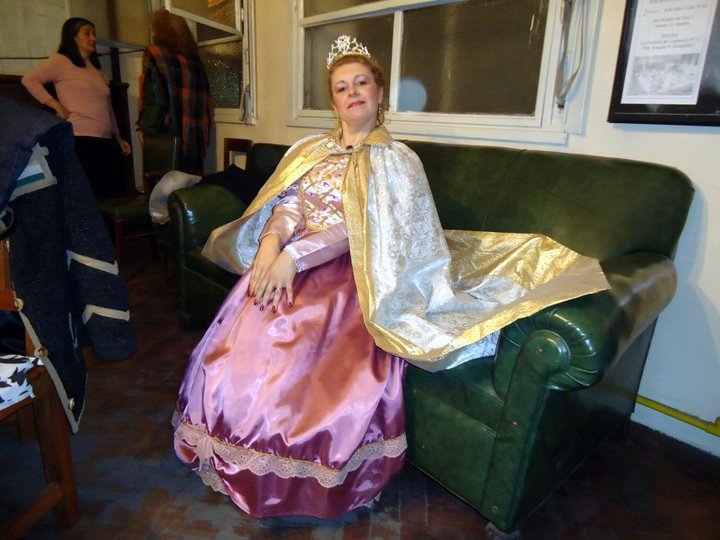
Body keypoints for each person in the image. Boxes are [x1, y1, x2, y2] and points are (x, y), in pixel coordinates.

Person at [172, 36, 609, 519]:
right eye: (342, 87)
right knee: (251, 316)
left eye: (361, 83)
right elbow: (290, 203)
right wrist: (272, 245)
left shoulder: (396, 159)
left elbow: (360, 228)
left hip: (361, 270)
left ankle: (297, 468)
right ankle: (228, 444)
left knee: (295, 332)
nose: (352, 92)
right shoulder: (309, 150)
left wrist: (295, 257)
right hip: (291, 256)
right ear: (333, 100)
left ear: (379, 93)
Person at [22, 17, 132, 200]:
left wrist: (118, 136)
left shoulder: (97, 70)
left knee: (108, 194)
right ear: (72, 36)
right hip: (80, 138)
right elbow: (29, 80)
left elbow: (107, 105)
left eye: (94, 34)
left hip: (104, 139)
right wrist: (56, 105)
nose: (93, 38)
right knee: (87, 194)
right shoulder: (61, 61)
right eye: (87, 33)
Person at [137, 9, 212, 174]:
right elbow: (206, 104)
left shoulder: (155, 54)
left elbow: (155, 99)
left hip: (167, 138)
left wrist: (146, 130)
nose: (152, 33)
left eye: (154, 29)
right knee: (190, 186)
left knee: (163, 186)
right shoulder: (195, 62)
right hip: (195, 141)